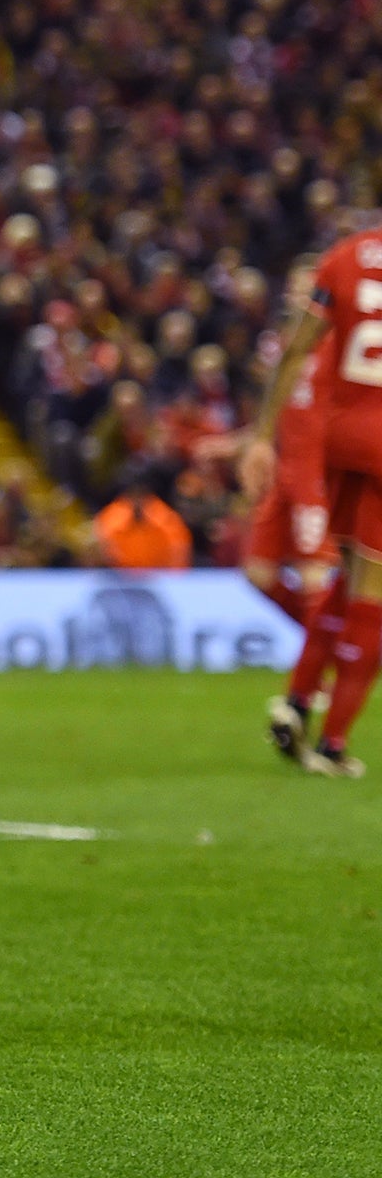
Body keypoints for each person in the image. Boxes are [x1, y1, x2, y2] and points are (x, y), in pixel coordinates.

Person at [245, 227, 382, 778]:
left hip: (337, 435)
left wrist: (259, 434)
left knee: (348, 576)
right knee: (373, 594)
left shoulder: (343, 255)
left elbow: (298, 346)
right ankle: (334, 746)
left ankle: (299, 701)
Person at [239, 258, 333, 627]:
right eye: (294, 288)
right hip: (283, 467)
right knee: (257, 573)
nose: (298, 296)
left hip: (317, 469)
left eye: (307, 289)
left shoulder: (336, 342)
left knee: (314, 573)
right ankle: (327, 641)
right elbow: (281, 414)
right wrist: (244, 443)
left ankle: (324, 674)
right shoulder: (280, 345)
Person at [91, 477, 194, 570]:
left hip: (158, 577)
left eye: (141, 495)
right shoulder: (110, 519)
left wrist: (170, 580)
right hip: (119, 579)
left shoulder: (166, 520)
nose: (138, 501)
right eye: (134, 495)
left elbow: (178, 554)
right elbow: (100, 553)